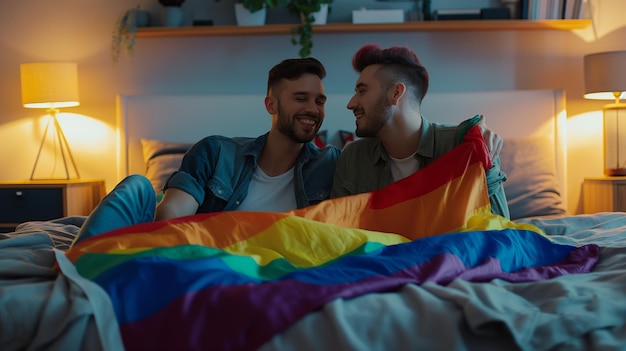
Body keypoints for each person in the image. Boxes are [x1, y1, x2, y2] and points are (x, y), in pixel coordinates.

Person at [73, 57, 340, 245]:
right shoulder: (216, 152)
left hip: (274, 265)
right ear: (271, 105)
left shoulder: (332, 163)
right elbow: (172, 216)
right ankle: (79, 267)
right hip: (202, 252)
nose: (313, 109)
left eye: (320, 101)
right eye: (301, 98)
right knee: (137, 186)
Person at [330, 44, 510, 219]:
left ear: (396, 93)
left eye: (362, 91)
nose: (351, 104)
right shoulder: (353, 158)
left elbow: (500, 230)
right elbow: (338, 235)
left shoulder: (464, 145)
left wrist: (483, 153)